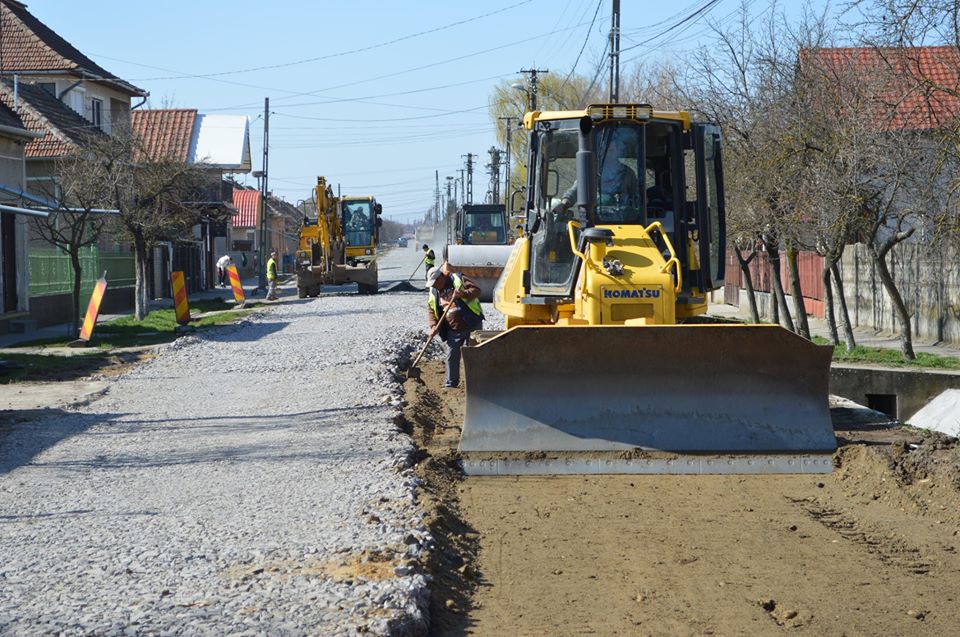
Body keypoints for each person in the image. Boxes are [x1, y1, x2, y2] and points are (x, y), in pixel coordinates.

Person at [426, 262, 483, 389]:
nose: (435, 286)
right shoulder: (434, 291)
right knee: (452, 355)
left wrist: (463, 294)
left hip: (471, 323)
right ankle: (451, 383)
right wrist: (433, 326)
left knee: (474, 354)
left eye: (436, 282)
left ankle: (476, 383)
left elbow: (477, 291)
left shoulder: (457, 279)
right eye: (432, 284)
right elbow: (431, 308)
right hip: (453, 328)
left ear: (441, 277)